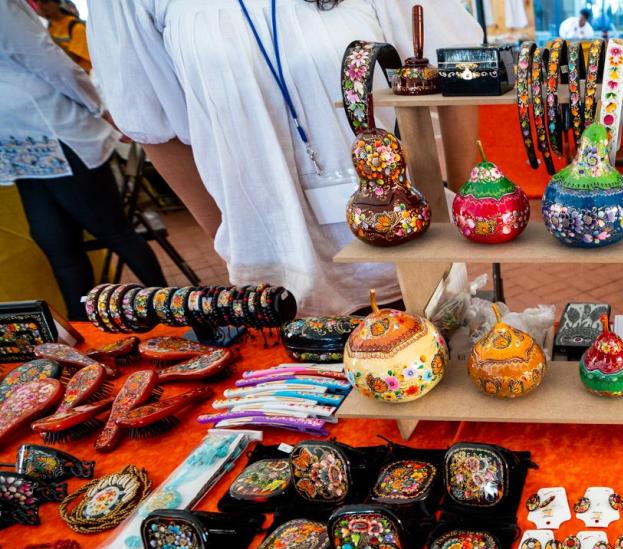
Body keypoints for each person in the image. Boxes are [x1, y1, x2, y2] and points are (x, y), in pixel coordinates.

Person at [88, 0, 483, 317]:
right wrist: (233, 236)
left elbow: (455, 69)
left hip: (409, 244)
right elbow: (152, 123)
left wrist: (469, 209)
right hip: (272, 265)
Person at [1, 0, 165, 321]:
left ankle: (179, 314)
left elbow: (49, 61)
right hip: (18, 143)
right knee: (58, 246)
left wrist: (100, 108)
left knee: (112, 232)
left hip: (53, 129)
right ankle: (86, 337)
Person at [31, 0, 90, 72]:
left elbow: (75, 59)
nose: (40, 6)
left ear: (57, 3)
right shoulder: (50, 28)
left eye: (44, 2)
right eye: (36, 3)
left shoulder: (76, 27)